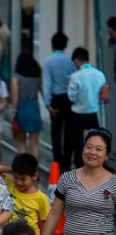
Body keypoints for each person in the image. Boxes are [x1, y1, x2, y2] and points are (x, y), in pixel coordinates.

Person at [0, 154, 51, 235]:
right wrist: (11, 170)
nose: (18, 182)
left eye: (23, 179)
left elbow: (46, 230)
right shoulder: (9, 184)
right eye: (16, 177)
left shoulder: (41, 199)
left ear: (34, 176)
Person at [67, 47, 107, 168]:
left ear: (77, 60)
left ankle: (79, 167)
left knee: (77, 143)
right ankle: (97, 165)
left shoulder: (75, 76)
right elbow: (103, 96)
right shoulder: (100, 74)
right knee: (96, 141)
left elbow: (71, 97)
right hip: (93, 113)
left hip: (78, 114)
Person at [43, 32, 77, 170]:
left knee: (56, 132)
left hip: (56, 99)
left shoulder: (49, 61)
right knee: (68, 132)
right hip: (68, 99)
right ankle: (68, 162)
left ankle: (57, 162)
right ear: (65, 45)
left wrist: (47, 103)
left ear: (52, 45)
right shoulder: (71, 61)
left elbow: (48, 83)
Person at [11, 53, 43, 161]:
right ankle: (35, 171)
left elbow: (15, 95)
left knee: (21, 142)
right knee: (34, 143)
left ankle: (23, 169)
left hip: (21, 108)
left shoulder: (16, 77)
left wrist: (14, 111)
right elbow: (42, 90)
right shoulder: (37, 76)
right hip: (34, 107)